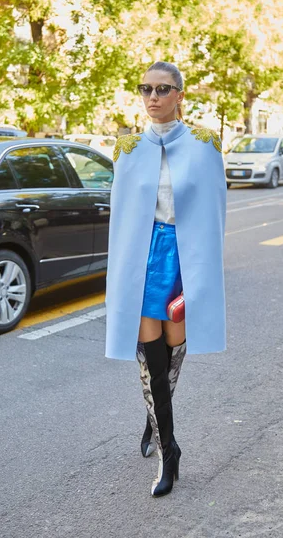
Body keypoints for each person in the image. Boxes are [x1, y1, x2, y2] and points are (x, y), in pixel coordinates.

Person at [105, 61, 226, 498]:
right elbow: (120, 218)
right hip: (143, 257)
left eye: (162, 89)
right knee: (149, 353)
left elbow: (215, 215)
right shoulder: (127, 147)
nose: (152, 97)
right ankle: (169, 451)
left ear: (179, 95)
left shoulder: (204, 144)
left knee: (174, 352)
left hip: (184, 256)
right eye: (146, 89)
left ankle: (153, 417)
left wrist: (208, 273)